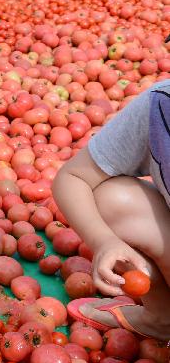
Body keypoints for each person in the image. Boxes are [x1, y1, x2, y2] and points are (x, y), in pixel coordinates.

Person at [54, 79, 170, 341]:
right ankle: (162, 319)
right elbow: (73, 178)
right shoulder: (161, 105)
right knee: (111, 199)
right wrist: (104, 240)